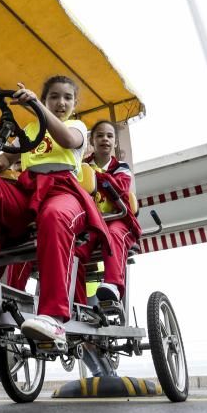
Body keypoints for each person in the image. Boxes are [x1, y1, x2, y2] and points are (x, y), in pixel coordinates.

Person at [0, 76, 112, 348]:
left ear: (74, 104)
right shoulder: (29, 129)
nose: (60, 102)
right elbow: (7, 157)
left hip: (63, 191)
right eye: (54, 97)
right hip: (29, 194)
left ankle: (54, 318)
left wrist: (38, 106)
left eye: (67, 98)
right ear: (47, 98)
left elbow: (67, 138)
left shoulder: (77, 126)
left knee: (53, 216)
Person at [74, 119, 142, 305]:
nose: (105, 139)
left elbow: (120, 188)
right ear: (92, 141)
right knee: (75, 251)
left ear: (115, 142)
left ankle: (113, 285)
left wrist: (95, 175)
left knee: (113, 234)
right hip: (92, 222)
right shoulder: (82, 167)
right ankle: (79, 304)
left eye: (109, 136)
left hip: (120, 219)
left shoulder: (122, 168)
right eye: (100, 135)